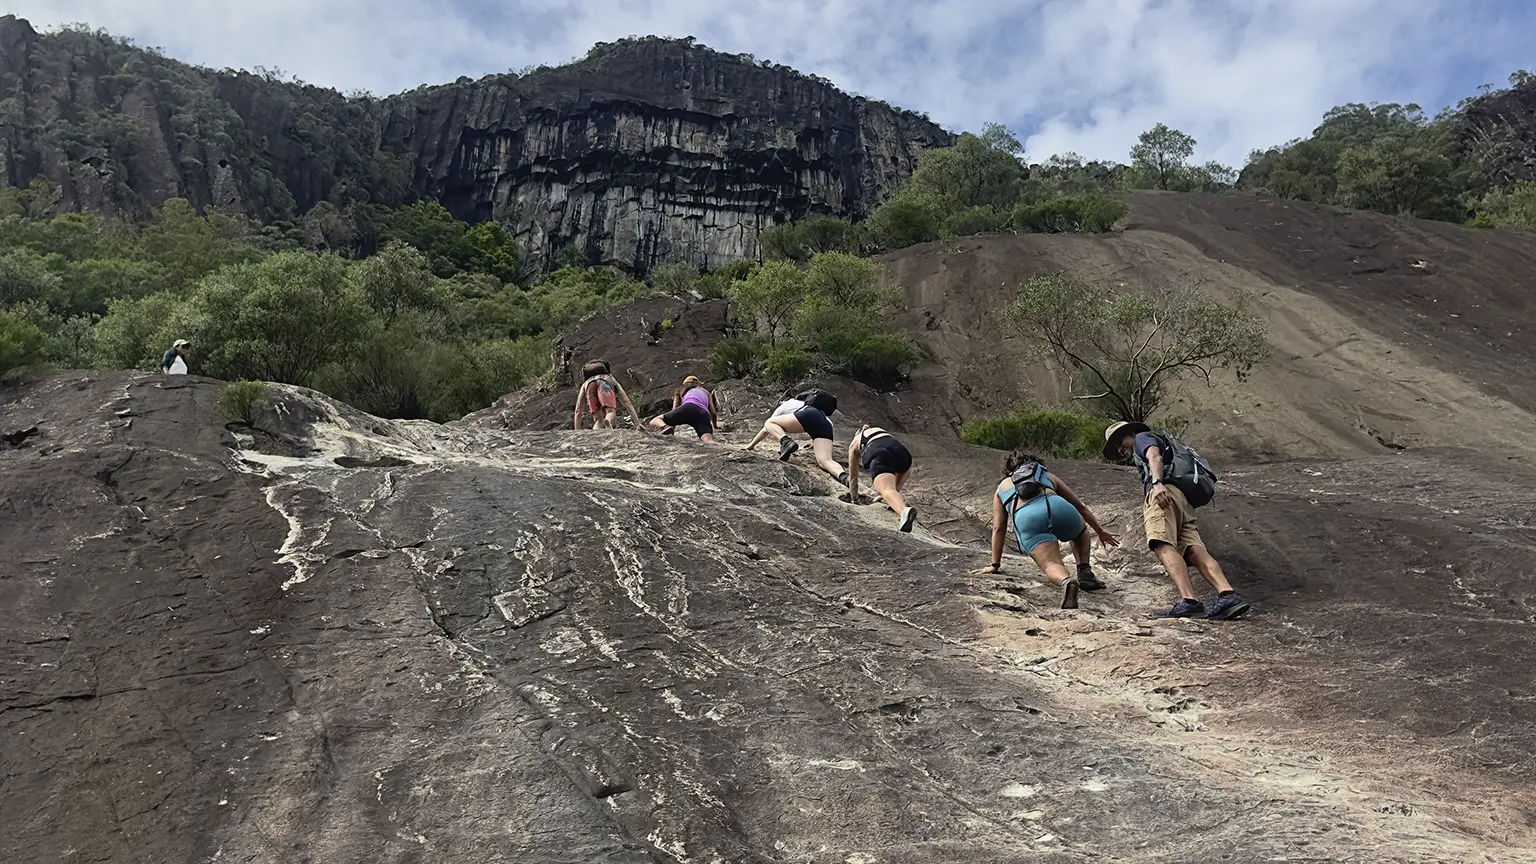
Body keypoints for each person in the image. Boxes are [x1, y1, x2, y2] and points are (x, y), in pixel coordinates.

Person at [1103, 421, 1251, 620]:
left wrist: (1157, 483)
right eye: (1116, 448)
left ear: (1129, 433)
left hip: (1164, 495)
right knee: (1193, 549)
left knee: (1161, 543)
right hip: (1183, 500)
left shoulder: (1141, 438)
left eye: (1119, 442)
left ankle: (1188, 600)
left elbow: (1154, 456)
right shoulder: (1160, 439)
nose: (1120, 449)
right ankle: (1227, 594)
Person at [975, 447, 1119, 609]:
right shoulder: (1046, 476)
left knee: (1051, 563)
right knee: (1080, 532)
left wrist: (995, 565)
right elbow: (1080, 507)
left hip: (1028, 518)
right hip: (1059, 508)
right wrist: (1099, 531)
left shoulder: (1002, 487)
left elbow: (998, 528)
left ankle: (1066, 581)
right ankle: (1085, 573)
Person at [745, 388, 845, 483]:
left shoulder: (786, 404)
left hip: (808, 415)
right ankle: (845, 477)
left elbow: (766, 428)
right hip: (824, 423)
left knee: (769, 422)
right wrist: (815, 442)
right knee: (825, 461)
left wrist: (751, 445)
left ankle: (786, 442)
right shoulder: (817, 409)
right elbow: (827, 425)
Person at [845, 424, 917, 532]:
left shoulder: (856, 441)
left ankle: (903, 512)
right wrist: (892, 492)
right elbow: (906, 468)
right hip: (903, 454)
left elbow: (853, 476)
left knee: (886, 489)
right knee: (890, 490)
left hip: (880, 453)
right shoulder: (882, 432)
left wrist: (854, 499)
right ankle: (895, 501)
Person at [572, 360, 643, 431]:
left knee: (599, 419)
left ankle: (596, 435)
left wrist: (576, 431)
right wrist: (637, 424)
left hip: (589, 386)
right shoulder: (610, 377)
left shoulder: (585, 383)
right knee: (610, 412)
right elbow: (627, 402)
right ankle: (608, 421)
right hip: (604, 383)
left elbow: (578, 409)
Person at [649, 375, 718, 442]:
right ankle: (725, 448)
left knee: (655, 420)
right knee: (708, 441)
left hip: (687, 408)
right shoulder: (706, 392)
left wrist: (671, 429)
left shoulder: (680, 391)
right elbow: (713, 412)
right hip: (702, 413)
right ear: (698, 384)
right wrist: (715, 426)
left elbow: (675, 409)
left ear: (684, 384)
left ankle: (664, 427)